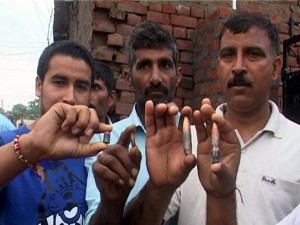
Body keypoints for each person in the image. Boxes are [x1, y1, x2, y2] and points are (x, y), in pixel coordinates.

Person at [123, 12, 300, 225]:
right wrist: (159, 188)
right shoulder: (191, 142)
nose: (238, 66)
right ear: (218, 68)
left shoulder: (296, 144)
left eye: (253, 54)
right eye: (228, 55)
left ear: (276, 67)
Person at [0, 40, 113, 224]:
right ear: (39, 86)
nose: (69, 97)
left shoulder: (93, 152)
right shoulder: (7, 142)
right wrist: (31, 147)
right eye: (59, 82)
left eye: (81, 87)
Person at [85, 20, 182, 225]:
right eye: (144, 66)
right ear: (128, 78)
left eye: (165, 65)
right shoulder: (105, 144)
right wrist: (112, 201)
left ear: (178, 75)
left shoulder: (197, 139)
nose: (156, 78)